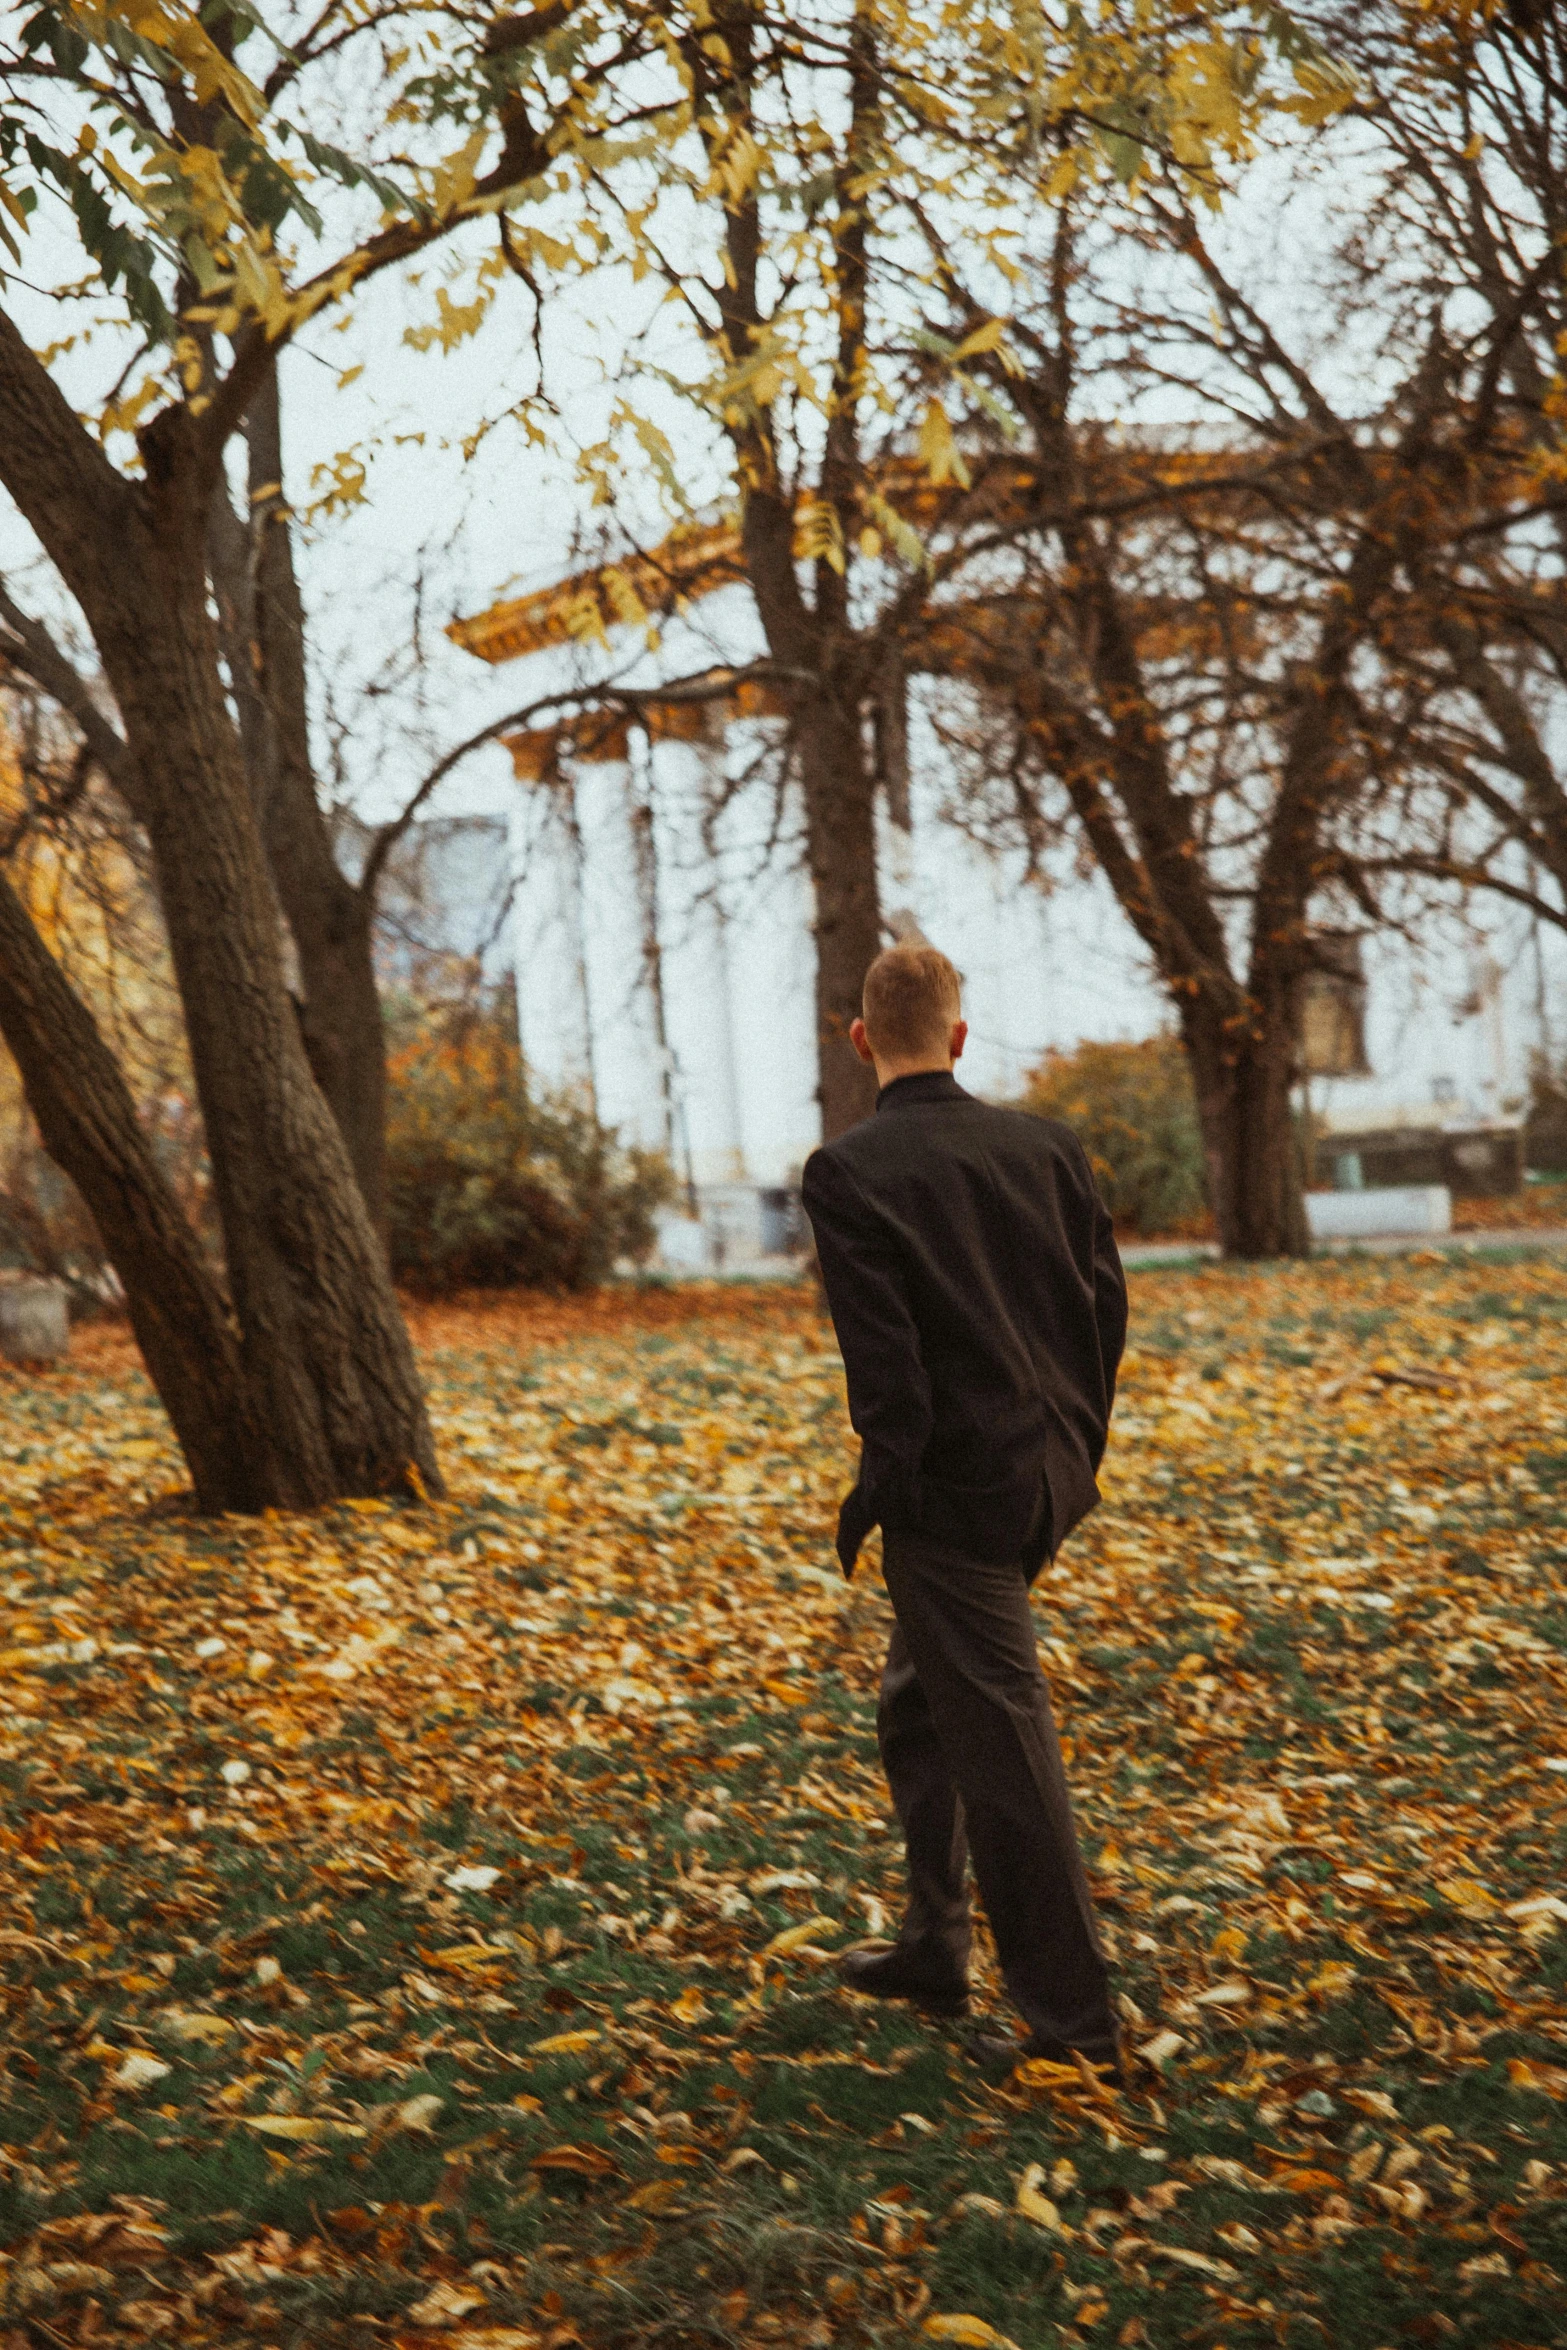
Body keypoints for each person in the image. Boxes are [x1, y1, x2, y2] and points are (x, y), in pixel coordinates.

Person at [800, 942, 1128, 2076]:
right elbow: (1103, 1307)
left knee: (1002, 1742)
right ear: (958, 1035)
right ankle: (935, 1946)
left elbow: (885, 1372)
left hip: (954, 1495)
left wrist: (877, 1495)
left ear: (859, 1042)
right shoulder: (1045, 1146)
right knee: (916, 1703)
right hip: (1045, 1474)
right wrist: (1076, 1436)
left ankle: (1075, 2029)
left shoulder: (848, 1172)